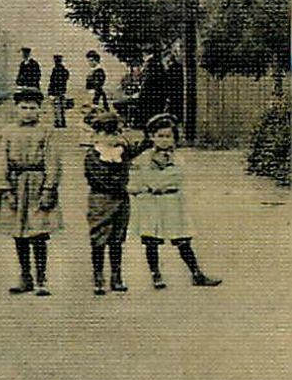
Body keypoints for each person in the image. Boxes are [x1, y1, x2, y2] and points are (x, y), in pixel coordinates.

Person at [127, 113, 220, 289]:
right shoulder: (144, 158)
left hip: (172, 202)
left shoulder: (177, 159)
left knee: (183, 239)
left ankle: (196, 273)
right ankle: (156, 274)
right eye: (159, 136)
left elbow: (174, 178)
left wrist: (154, 183)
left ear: (174, 138)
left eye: (168, 136)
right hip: (151, 203)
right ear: (151, 137)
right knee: (151, 240)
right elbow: (140, 180)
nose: (163, 140)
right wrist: (150, 184)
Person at [0, 87, 62, 296]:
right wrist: (6, 190)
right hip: (15, 184)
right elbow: (0, 163)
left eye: (32, 108)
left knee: (39, 232)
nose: (28, 112)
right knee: (19, 232)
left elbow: (53, 162)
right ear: (16, 109)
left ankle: (42, 278)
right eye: (23, 107)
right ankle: (25, 276)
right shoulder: (7, 132)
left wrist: (49, 188)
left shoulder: (46, 131)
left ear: (39, 109)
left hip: (37, 183)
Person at [82, 109, 132, 295]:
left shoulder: (121, 151)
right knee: (99, 238)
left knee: (117, 238)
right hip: (101, 199)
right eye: (107, 133)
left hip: (120, 200)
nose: (113, 137)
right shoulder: (93, 156)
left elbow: (134, 152)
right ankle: (98, 276)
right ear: (97, 134)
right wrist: (121, 182)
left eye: (116, 133)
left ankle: (116, 276)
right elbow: (99, 179)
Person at [47, 54, 71, 128]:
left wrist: (50, 92)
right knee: (62, 108)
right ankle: (63, 123)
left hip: (55, 92)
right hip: (62, 92)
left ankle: (58, 123)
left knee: (56, 108)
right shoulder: (64, 71)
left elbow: (52, 83)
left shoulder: (55, 70)